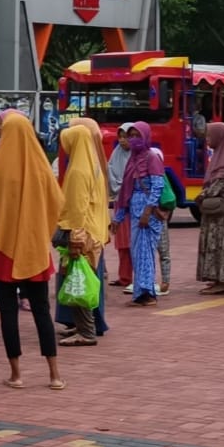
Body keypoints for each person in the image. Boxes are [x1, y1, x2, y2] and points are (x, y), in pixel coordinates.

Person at [0, 110, 66, 389]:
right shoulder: (41, 168)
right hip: (34, 247)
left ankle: (16, 374)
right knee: (41, 311)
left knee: (8, 312)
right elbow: (57, 202)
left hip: (4, 247)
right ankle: (55, 375)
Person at [57, 121, 111, 346]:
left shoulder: (78, 170)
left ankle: (86, 332)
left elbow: (77, 208)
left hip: (83, 233)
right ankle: (85, 327)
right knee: (85, 279)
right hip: (95, 232)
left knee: (79, 279)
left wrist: (75, 240)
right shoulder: (94, 165)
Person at [115, 121, 168, 305]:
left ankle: (147, 294)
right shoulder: (133, 159)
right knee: (137, 254)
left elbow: (157, 186)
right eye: (131, 136)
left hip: (148, 214)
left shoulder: (151, 157)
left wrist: (147, 211)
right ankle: (140, 293)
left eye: (137, 135)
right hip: (135, 213)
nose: (133, 139)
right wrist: (118, 218)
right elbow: (126, 191)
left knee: (145, 253)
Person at [197, 121, 224, 295]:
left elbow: (221, 183)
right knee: (212, 242)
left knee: (220, 243)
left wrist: (203, 195)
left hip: (222, 209)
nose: (207, 139)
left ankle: (222, 281)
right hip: (215, 209)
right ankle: (214, 279)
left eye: (210, 135)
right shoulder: (218, 155)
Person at [106, 123, 136, 286]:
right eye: (121, 137)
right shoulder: (116, 154)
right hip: (120, 202)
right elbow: (110, 173)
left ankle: (135, 277)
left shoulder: (139, 155)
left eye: (127, 137)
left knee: (133, 242)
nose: (123, 141)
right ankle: (124, 277)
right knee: (122, 242)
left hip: (133, 204)